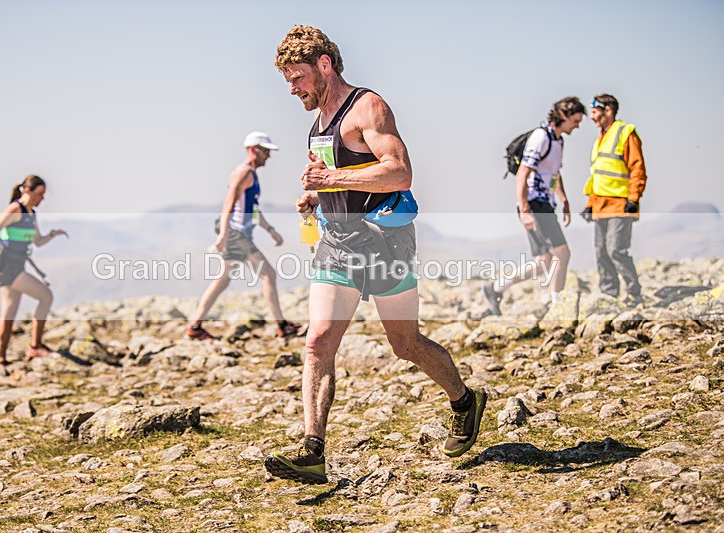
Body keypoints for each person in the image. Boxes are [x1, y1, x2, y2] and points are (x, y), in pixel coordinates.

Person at [264, 25, 485, 485]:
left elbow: (399, 172)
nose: (292, 88)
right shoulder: (317, 125)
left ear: (325, 64)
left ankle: (465, 401)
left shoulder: (368, 106)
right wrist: (316, 200)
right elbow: (337, 179)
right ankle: (312, 451)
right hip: (337, 244)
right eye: (287, 79)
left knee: (406, 345)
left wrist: (333, 183)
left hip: (386, 243)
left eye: (298, 76)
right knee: (318, 340)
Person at [185, 131, 301, 340]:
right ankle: (282, 326)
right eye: (265, 151)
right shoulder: (243, 173)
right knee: (268, 274)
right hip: (236, 234)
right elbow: (229, 203)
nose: (268, 156)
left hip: (238, 233)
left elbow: (253, 209)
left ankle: (195, 326)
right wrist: (223, 235)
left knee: (223, 279)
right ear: (253, 150)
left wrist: (270, 230)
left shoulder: (252, 175)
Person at [482, 97, 586, 316]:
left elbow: (554, 173)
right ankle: (558, 306)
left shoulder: (559, 141)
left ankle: (495, 287)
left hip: (545, 203)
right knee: (563, 253)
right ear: (564, 116)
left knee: (544, 261)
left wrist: (564, 200)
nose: (578, 126)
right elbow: (523, 173)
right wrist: (525, 209)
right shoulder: (541, 138)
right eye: (575, 121)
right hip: (534, 204)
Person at [0, 175, 67, 365]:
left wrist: (53, 234)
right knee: (46, 296)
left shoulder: (31, 214)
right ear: (28, 191)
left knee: (9, 312)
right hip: (8, 266)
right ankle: (35, 346)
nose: (42, 199)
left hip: (17, 265)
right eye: (39, 194)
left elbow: (38, 242)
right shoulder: (15, 209)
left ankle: (0, 358)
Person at [581, 94, 647, 307]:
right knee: (601, 252)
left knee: (616, 250)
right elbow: (597, 175)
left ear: (607, 110)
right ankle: (609, 295)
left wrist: (633, 198)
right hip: (600, 205)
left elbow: (637, 167)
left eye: (594, 112)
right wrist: (590, 204)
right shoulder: (599, 139)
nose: (591, 117)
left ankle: (633, 293)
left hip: (621, 204)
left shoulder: (625, 133)